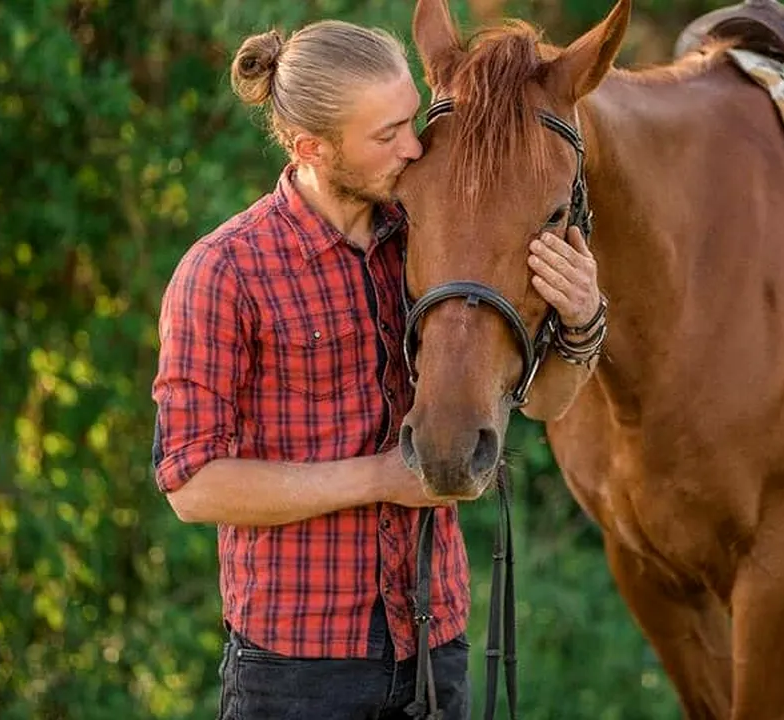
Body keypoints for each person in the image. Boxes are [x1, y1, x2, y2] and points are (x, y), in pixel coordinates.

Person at [150, 19, 607, 720]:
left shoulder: (429, 238)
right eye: (386, 134)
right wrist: (381, 479)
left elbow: (545, 403)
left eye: (410, 120)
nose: (415, 146)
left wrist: (580, 320)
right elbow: (191, 484)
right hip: (297, 669)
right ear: (312, 148)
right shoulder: (224, 271)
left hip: (435, 642)